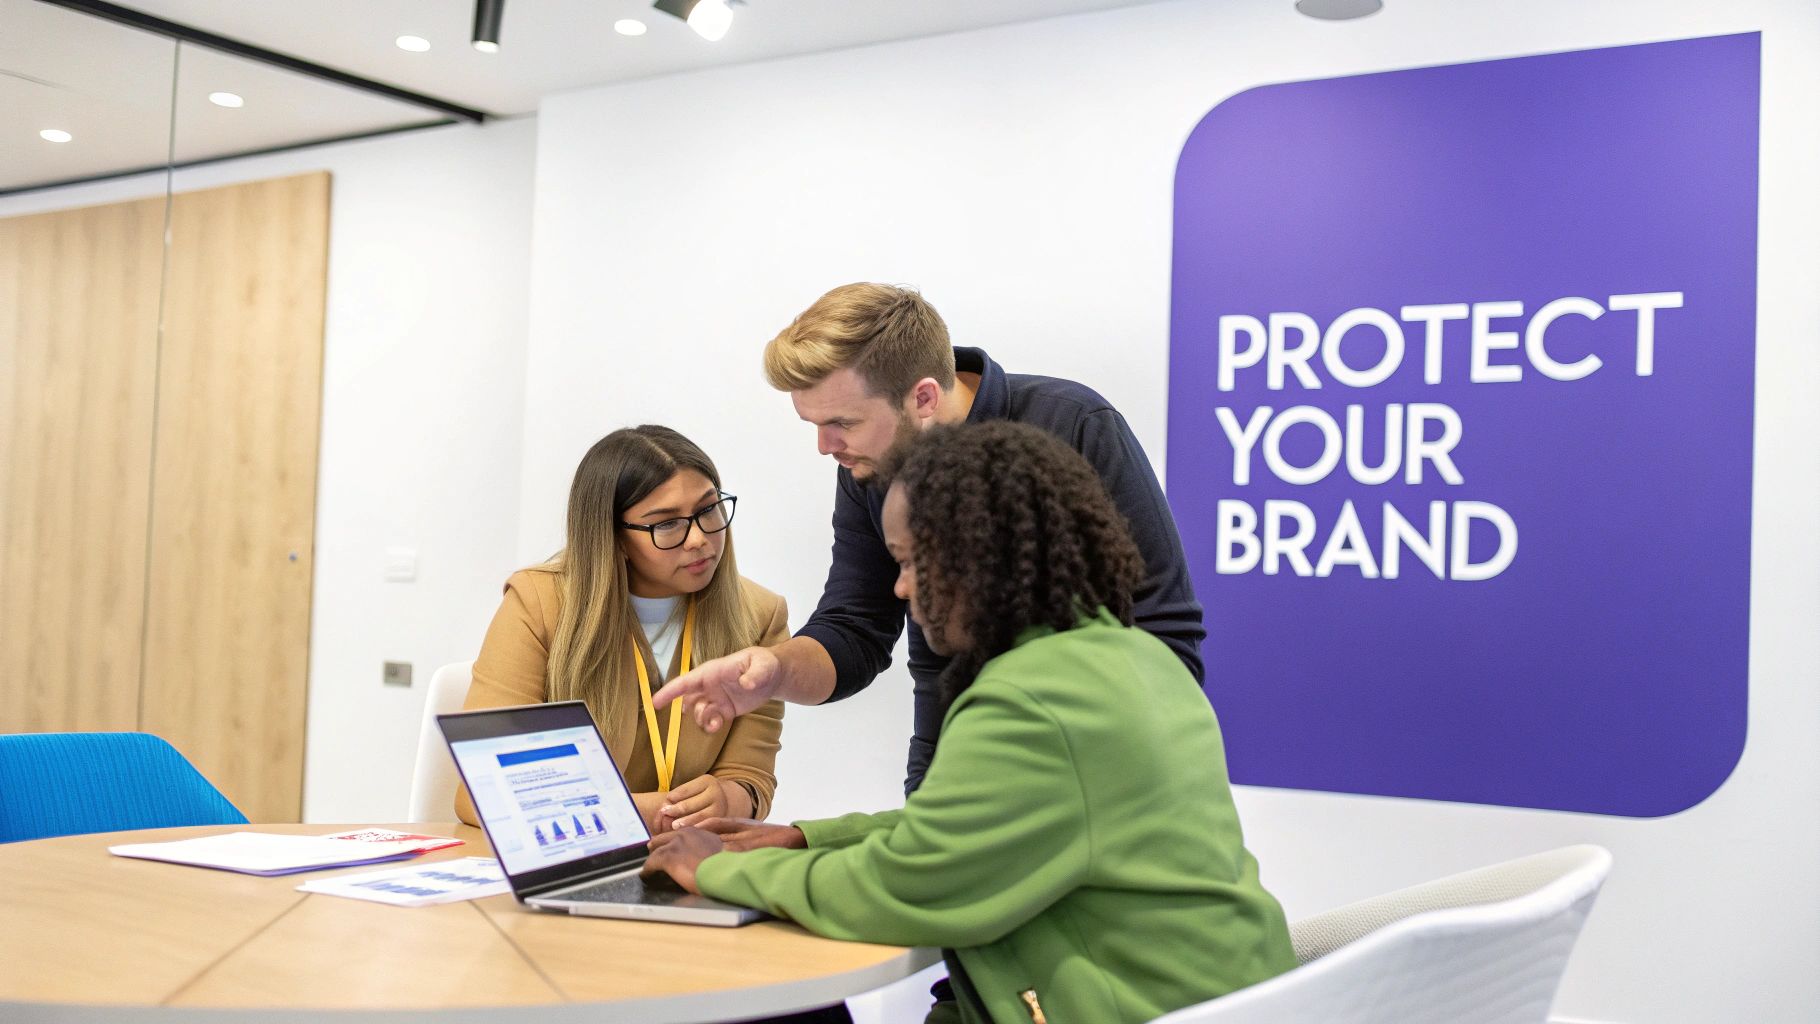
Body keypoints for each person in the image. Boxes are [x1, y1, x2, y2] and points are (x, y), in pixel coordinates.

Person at [643, 422, 1295, 1024]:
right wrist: (809, 841)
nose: (899, 589)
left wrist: (717, 871)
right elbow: (980, 827)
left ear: (980, 558)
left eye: (909, 562)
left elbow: (906, 886)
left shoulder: (1032, 699)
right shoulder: (1130, 656)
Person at [654, 283, 1205, 793]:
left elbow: (1165, 635)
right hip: (955, 766)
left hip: (1097, 778)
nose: (826, 447)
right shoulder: (867, 463)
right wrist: (774, 671)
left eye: (842, 423)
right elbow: (857, 628)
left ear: (921, 397)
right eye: (814, 425)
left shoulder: (1074, 424)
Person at [453, 425, 787, 834]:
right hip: (571, 853)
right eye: (666, 525)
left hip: (686, 862)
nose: (700, 539)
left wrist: (727, 798)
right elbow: (479, 793)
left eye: (708, 510)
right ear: (614, 538)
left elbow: (751, 779)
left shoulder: (760, 616)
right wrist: (639, 811)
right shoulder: (538, 602)